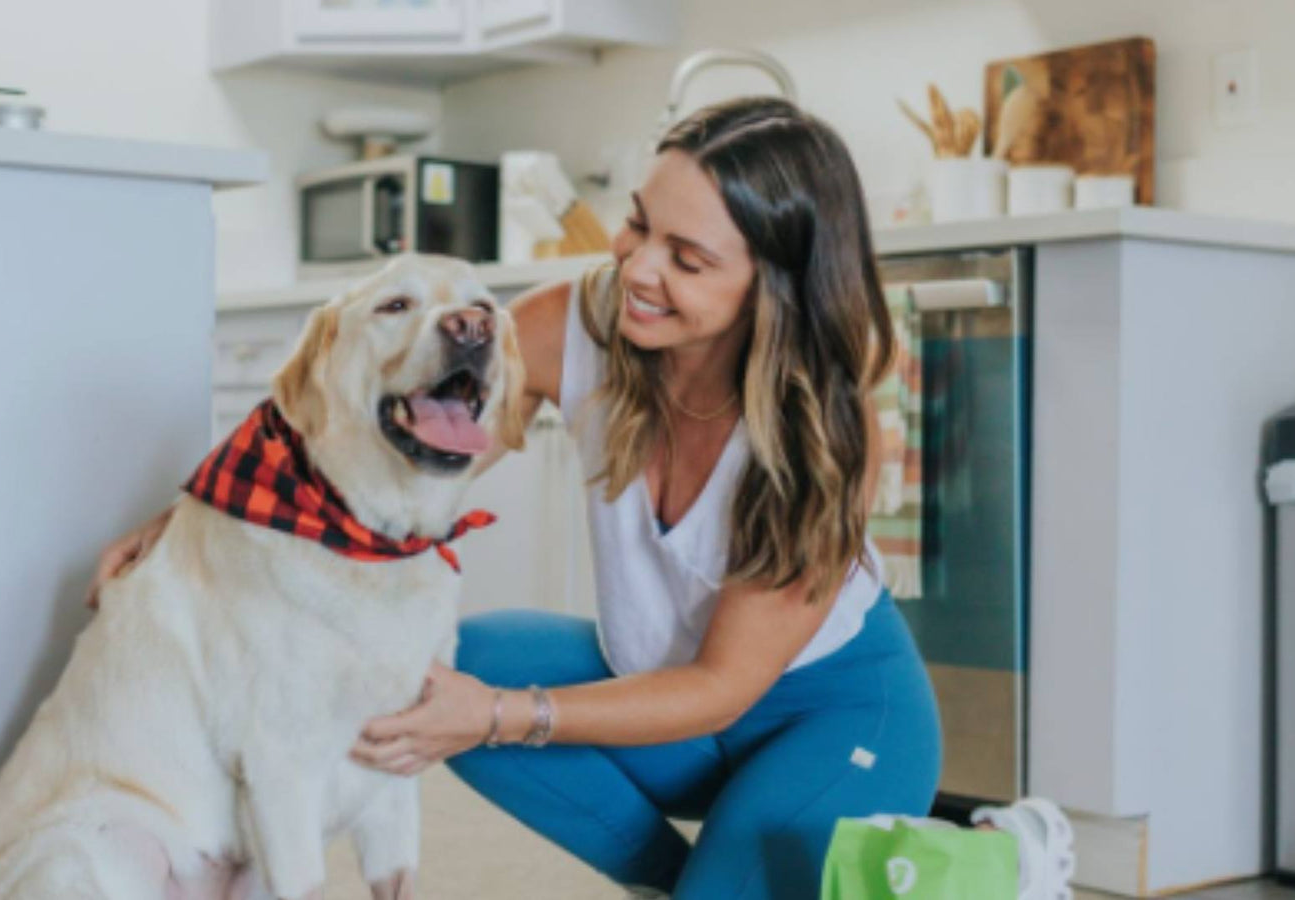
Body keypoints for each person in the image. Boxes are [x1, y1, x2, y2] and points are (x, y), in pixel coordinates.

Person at [90, 96, 941, 900]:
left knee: (483, 705)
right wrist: (190, 521)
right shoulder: (575, 328)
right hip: (660, 691)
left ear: (775, 287)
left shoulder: (823, 432)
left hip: (830, 717)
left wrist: (498, 717)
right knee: (456, 670)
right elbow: (348, 452)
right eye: (640, 223)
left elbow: (722, 686)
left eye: (686, 259)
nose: (637, 268)